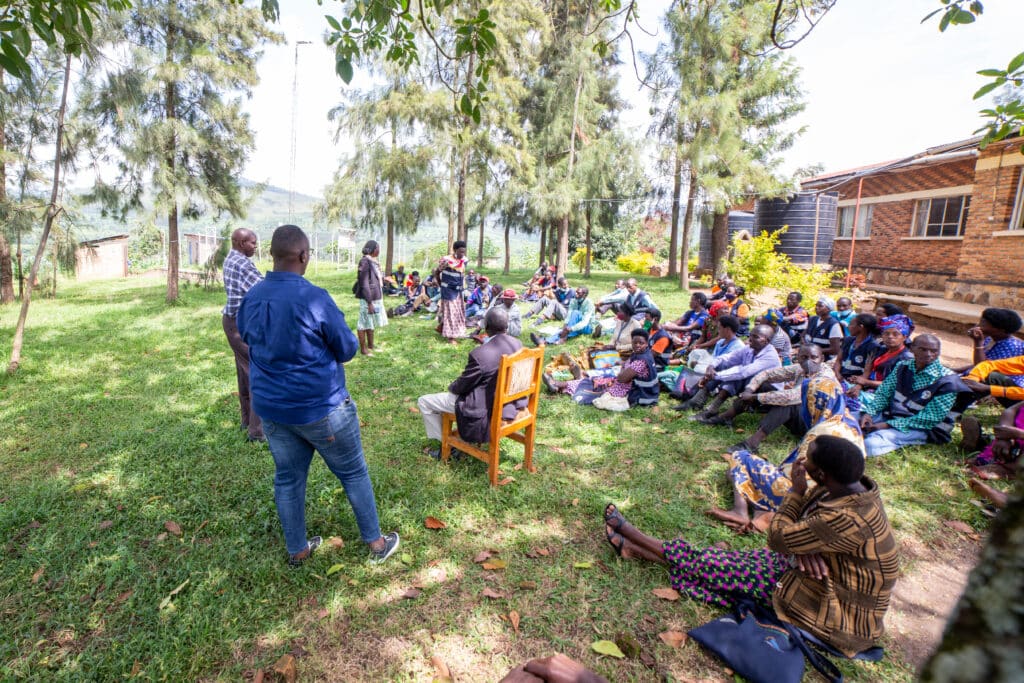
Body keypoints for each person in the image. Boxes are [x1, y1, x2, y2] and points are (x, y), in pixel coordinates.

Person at [602, 433, 898, 658]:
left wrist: (795, 494)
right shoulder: (849, 489)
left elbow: (778, 538)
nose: (801, 461)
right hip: (811, 576)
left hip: (832, 611)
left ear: (820, 474)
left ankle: (634, 537)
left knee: (716, 567)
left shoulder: (846, 516)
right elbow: (797, 534)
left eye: (808, 459)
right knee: (728, 565)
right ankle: (635, 550)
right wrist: (805, 546)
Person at [237, 225, 399, 567]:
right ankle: (376, 543)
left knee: (288, 478)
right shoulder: (314, 297)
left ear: (272, 255)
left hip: (273, 410)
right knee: (353, 471)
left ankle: (297, 549)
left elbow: (249, 339)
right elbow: (347, 349)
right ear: (304, 256)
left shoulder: (252, 296)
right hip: (321, 408)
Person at [709, 354, 863, 532]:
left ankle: (741, 510)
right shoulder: (850, 424)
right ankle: (761, 511)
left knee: (739, 458)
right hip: (832, 505)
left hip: (802, 501)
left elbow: (797, 474)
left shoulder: (821, 434)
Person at [417, 308, 527, 458]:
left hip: (486, 408)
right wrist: (487, 343)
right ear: (506, 325)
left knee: (424, 402)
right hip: (509, 403)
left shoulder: (480, 354)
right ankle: (450, 442)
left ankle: (448, 445)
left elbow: (462, 386)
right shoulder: (518, 344)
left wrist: (451, 388)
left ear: (486, 326)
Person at [858, 334, 969, 456]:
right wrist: (869, 413)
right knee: (852, 419)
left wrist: (885, 425)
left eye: (934, 351)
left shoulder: (948, 381)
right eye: (923, 349)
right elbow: (884, 393)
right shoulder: (903, 366)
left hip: (925, 428)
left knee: (870, 444)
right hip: (892, 415)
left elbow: (930, 418)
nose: (928, 354)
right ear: (912, 349)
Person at [699, 344, 832, 432]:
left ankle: (752, 442)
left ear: (822, 358)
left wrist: (755, 397)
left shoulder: (823, 377)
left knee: (787, 403)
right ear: (797, 358)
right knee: (759, 383)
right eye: (804, 357)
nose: (809, 361)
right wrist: (750, 389)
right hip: (801, 413)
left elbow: (793, 396)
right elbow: (767, 374)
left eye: (813, 357)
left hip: (814, 424)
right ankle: (725, 416)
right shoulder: (800, 368)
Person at [675, 324, 781, 416]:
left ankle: (712, 409)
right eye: (750, 335)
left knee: (738, 377)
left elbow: (743, 372)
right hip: (751, 383)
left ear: (766, 341)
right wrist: (711, 366)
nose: (749, 339)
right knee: (722, 366)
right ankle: (698, 400)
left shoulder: (770, 356)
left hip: (768, 390)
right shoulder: (750, 348)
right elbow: (727, 358)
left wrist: (715, 376)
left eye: (755, 337)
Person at [221, 227, 265, 442]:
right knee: (258, 373)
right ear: (241, 243)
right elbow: (265, 289)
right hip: (241, 325)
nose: (255, 247)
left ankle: (247, 419)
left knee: (244, 372)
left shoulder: (231, 258)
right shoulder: (242, 263)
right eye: (253, 243)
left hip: (232, 322)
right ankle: (257, 432)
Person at [544, 329, 659, 407]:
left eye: (641, 343)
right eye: (635, 343)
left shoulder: (641, 361)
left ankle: (557, 384)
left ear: (646, 343)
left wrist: (622, 368)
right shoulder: (644, 354)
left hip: (634, 392)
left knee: (597, 384)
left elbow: (622, 378)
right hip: (635, 387)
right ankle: (556, 384)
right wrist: (621, 364)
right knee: (596, 379)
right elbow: (627, 367)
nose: (637, 345)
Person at [962, 401, 1024, 478]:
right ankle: (985, 453)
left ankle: (1007, 469)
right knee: (997, 446)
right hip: (1012, 442)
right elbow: (1010, 411)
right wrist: (1005, 434)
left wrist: (1018, 434)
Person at [530, 286, 596, 346]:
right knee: (563, 331)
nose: (576, 294)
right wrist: (565, 326)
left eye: (578, 293)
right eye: (576, 292)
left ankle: (563, 339)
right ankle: (545, 341)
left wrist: (571, 328)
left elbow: (585, 322)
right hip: (577, 325)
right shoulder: (574, 301)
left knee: (575, 313)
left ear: (584, 295)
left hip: (587, 327)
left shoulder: (589, 303)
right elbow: (569, 315)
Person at [960, 307, 1024, 368]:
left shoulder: (1011, 347)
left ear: (1000, 329)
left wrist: (978, 343)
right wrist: (955, 370)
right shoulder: (991, 338)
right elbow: (978, 362)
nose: (978, 325)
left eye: (983, 324)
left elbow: (983, 368)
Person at [355, 240, 387, 356]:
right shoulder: (364, 261)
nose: (379, 250)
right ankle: (364, 349)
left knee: (371, 321)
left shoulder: (373, 261)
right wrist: (369, 302)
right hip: (368, 298)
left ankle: (371, 346)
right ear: (372, 249)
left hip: (375, 296)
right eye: (378, 248)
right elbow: (364, 283)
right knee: (363, 323)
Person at [434, 241, 468, 344]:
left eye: (464, 252)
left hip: (458, 291)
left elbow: (461, 274)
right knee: (451, 312)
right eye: (460, 252)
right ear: (455, 250)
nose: (462, 254)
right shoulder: (446, 260)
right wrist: (441, 285)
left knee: (457, 311)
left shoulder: (464, 260)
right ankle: (451, 337)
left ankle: (441, 327)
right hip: (448, 290)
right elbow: (437, 272)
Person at [802, 296, 843, 360]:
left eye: (820, 306)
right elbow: (803, 336)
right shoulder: (812, 319)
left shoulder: (833, 324)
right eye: (816, 305)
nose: (816, 308)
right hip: (808, 356)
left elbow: (835, 349)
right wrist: (805, 347)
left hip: (825, 359)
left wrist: (814, 351)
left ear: (829, 309)